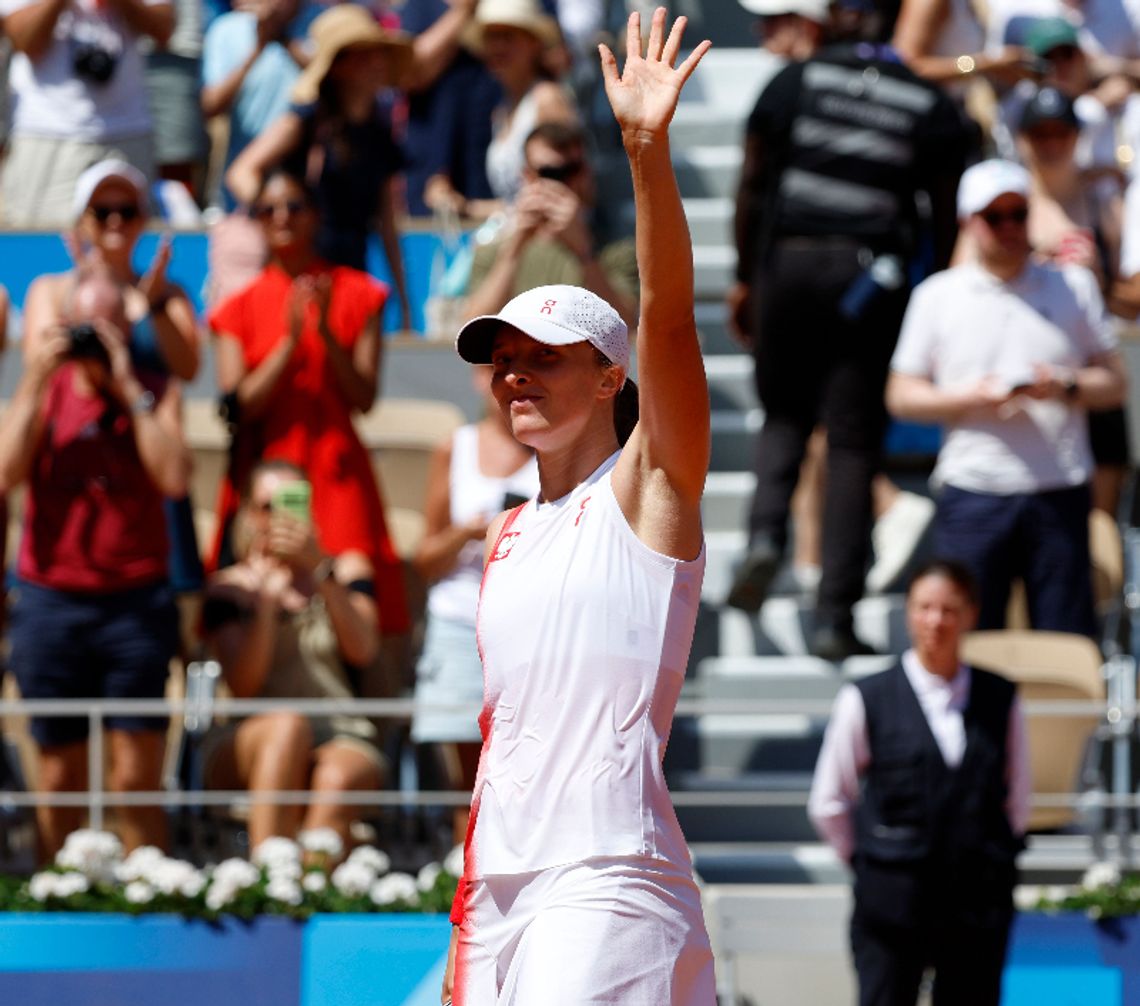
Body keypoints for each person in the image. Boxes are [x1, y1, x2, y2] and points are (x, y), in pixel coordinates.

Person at [442, 10, 715, 1003]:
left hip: (609, 876)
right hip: (495, 887)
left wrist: (645, 153)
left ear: (610, 379)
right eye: (502, 360)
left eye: (543, 357)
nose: (514, 376)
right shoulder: (503, 530)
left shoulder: (651, 486)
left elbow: (673, 316)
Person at [724, 9, 968, 659]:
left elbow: (752, 183)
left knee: (784, 415)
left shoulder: (794, 81)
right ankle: (834, 616)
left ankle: (765, 539)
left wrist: (747, 277)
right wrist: (935, 291)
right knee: (853, 444)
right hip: (870, 280)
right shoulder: (926, 100)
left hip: (790, 266)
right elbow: (944, 214)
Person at [886, 158, 1128, 636]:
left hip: (1058, 490)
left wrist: (1066, 386)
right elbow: (901, 395)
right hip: (974, 490)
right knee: (972, 648)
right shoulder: (938, 296)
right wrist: (966, 398)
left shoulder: (1073, 286)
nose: (1009, 227)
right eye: (994, 217)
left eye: (1018, 214)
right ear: (968, 223)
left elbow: (1117, 383)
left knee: (1064, 642)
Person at [0, 269, 189, 859]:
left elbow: (175, 478)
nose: (92, 340)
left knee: (135, 780)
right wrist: (35, 378)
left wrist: (128, 383)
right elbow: (5, 475)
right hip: (52, 602)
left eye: (106, 326)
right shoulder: (44, 390)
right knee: (58, 779)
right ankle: (64, 897)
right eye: (83, 326)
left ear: (126, 329)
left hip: (134, 604)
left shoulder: (154, 390)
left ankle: (147, 897)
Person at [808, 558, 1032, 1006]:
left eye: (949, 609)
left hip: (976, 902)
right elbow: (830, 801)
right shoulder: (867, 696)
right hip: (892, 903)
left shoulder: (1001, 696)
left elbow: (1018, 797)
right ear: (908, 612)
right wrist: (871, 862)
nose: (936, 621)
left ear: (970, 614)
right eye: (924, 607)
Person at [208, 166, 411, 641]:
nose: (282, 218)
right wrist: (289, 345)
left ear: (315, 216)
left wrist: (323, 336)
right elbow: (239, 406)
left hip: (336, 473)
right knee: (262, 596)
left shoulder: (359, 293)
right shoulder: (237, 308)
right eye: (268, 210)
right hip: (265, 473)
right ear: (256, 220)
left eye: (294, 207)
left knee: (349, 594)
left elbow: (364, 398)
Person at [201, 459, 385, 853]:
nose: (279, 518)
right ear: (249, 513)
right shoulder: (227, 588)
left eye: (292, 503)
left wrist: (318, 571)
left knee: (336, 778)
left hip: (340, 731)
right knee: (287, 727)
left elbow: (364, 649)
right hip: (251, 735)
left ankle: (300, 889)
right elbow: (244, 689)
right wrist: (266, 603)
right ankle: (273, 876)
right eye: (268, 506)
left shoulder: (346, 570)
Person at [226, 4, 414, 328]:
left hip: (353, 274)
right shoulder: (304, 122)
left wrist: (404, 301)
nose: (376, 63)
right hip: (301, 275)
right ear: (337, 67)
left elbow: (387, 224)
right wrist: (277, 213)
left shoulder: (381, 136)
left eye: (378, 54)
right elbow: (241, 172)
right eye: (362, 55)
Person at [411, 364, 537, 846]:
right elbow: (425, 559)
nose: (508, 381)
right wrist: (469, 531)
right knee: (466, 778)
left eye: (517, 368)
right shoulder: (455, 447)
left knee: (520, 768)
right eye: (495, 368)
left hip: (528, 630)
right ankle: (469, 884)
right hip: (460, 623)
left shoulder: (554, 451)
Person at [1015, 84, 1131, 517]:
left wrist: (1096, 281)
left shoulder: (1102, 202)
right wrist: (1027, 267)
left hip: (1091, 370)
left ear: (1076, 136)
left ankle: (1100, 586)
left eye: (1060, 133)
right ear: (1023, 137)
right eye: (1039, 133)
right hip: (1028, 370)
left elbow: (1129, 300)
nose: (1050, 143)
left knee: (1099, 516)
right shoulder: (1002, 204)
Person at [22, 160, 201, 383]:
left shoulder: (168, 294)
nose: (115, 221)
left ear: (143, 219)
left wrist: (155, 307)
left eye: (127, 211)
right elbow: (38, 367)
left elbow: (188, 372)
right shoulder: (50, 289)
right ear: (82, 221)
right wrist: (80, 296)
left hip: (147, 413)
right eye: (102, 212)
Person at [0, 0, 173, 225]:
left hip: (128, 131)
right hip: (48, 132)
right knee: (39, 238)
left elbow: (164, 30)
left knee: (127, 237)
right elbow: (23, 40)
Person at [461, 119, 639, 331]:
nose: (560, 183)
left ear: (585, 173)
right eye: (548, 173)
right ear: (527, 176)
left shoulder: (616, 250)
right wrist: (516, 247)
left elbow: (624, 324)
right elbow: (473, 327)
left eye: (570, 170)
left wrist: (584, 252)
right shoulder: (494, 249)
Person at [433, 0, 577, 210]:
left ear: (533, 43)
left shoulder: (547, 99)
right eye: (491, 37)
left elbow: (564, 195)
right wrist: (462, 206)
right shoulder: (502, 109)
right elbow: (514, 205)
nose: (498, 47)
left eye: (508, 36)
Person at [200, 0, 321, 209]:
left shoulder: (321, 21)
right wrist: (258, 47)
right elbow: (211, 105)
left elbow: (331, 86)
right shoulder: (226, 28)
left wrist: (282, 37)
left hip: (307, 187)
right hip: (241, 184)